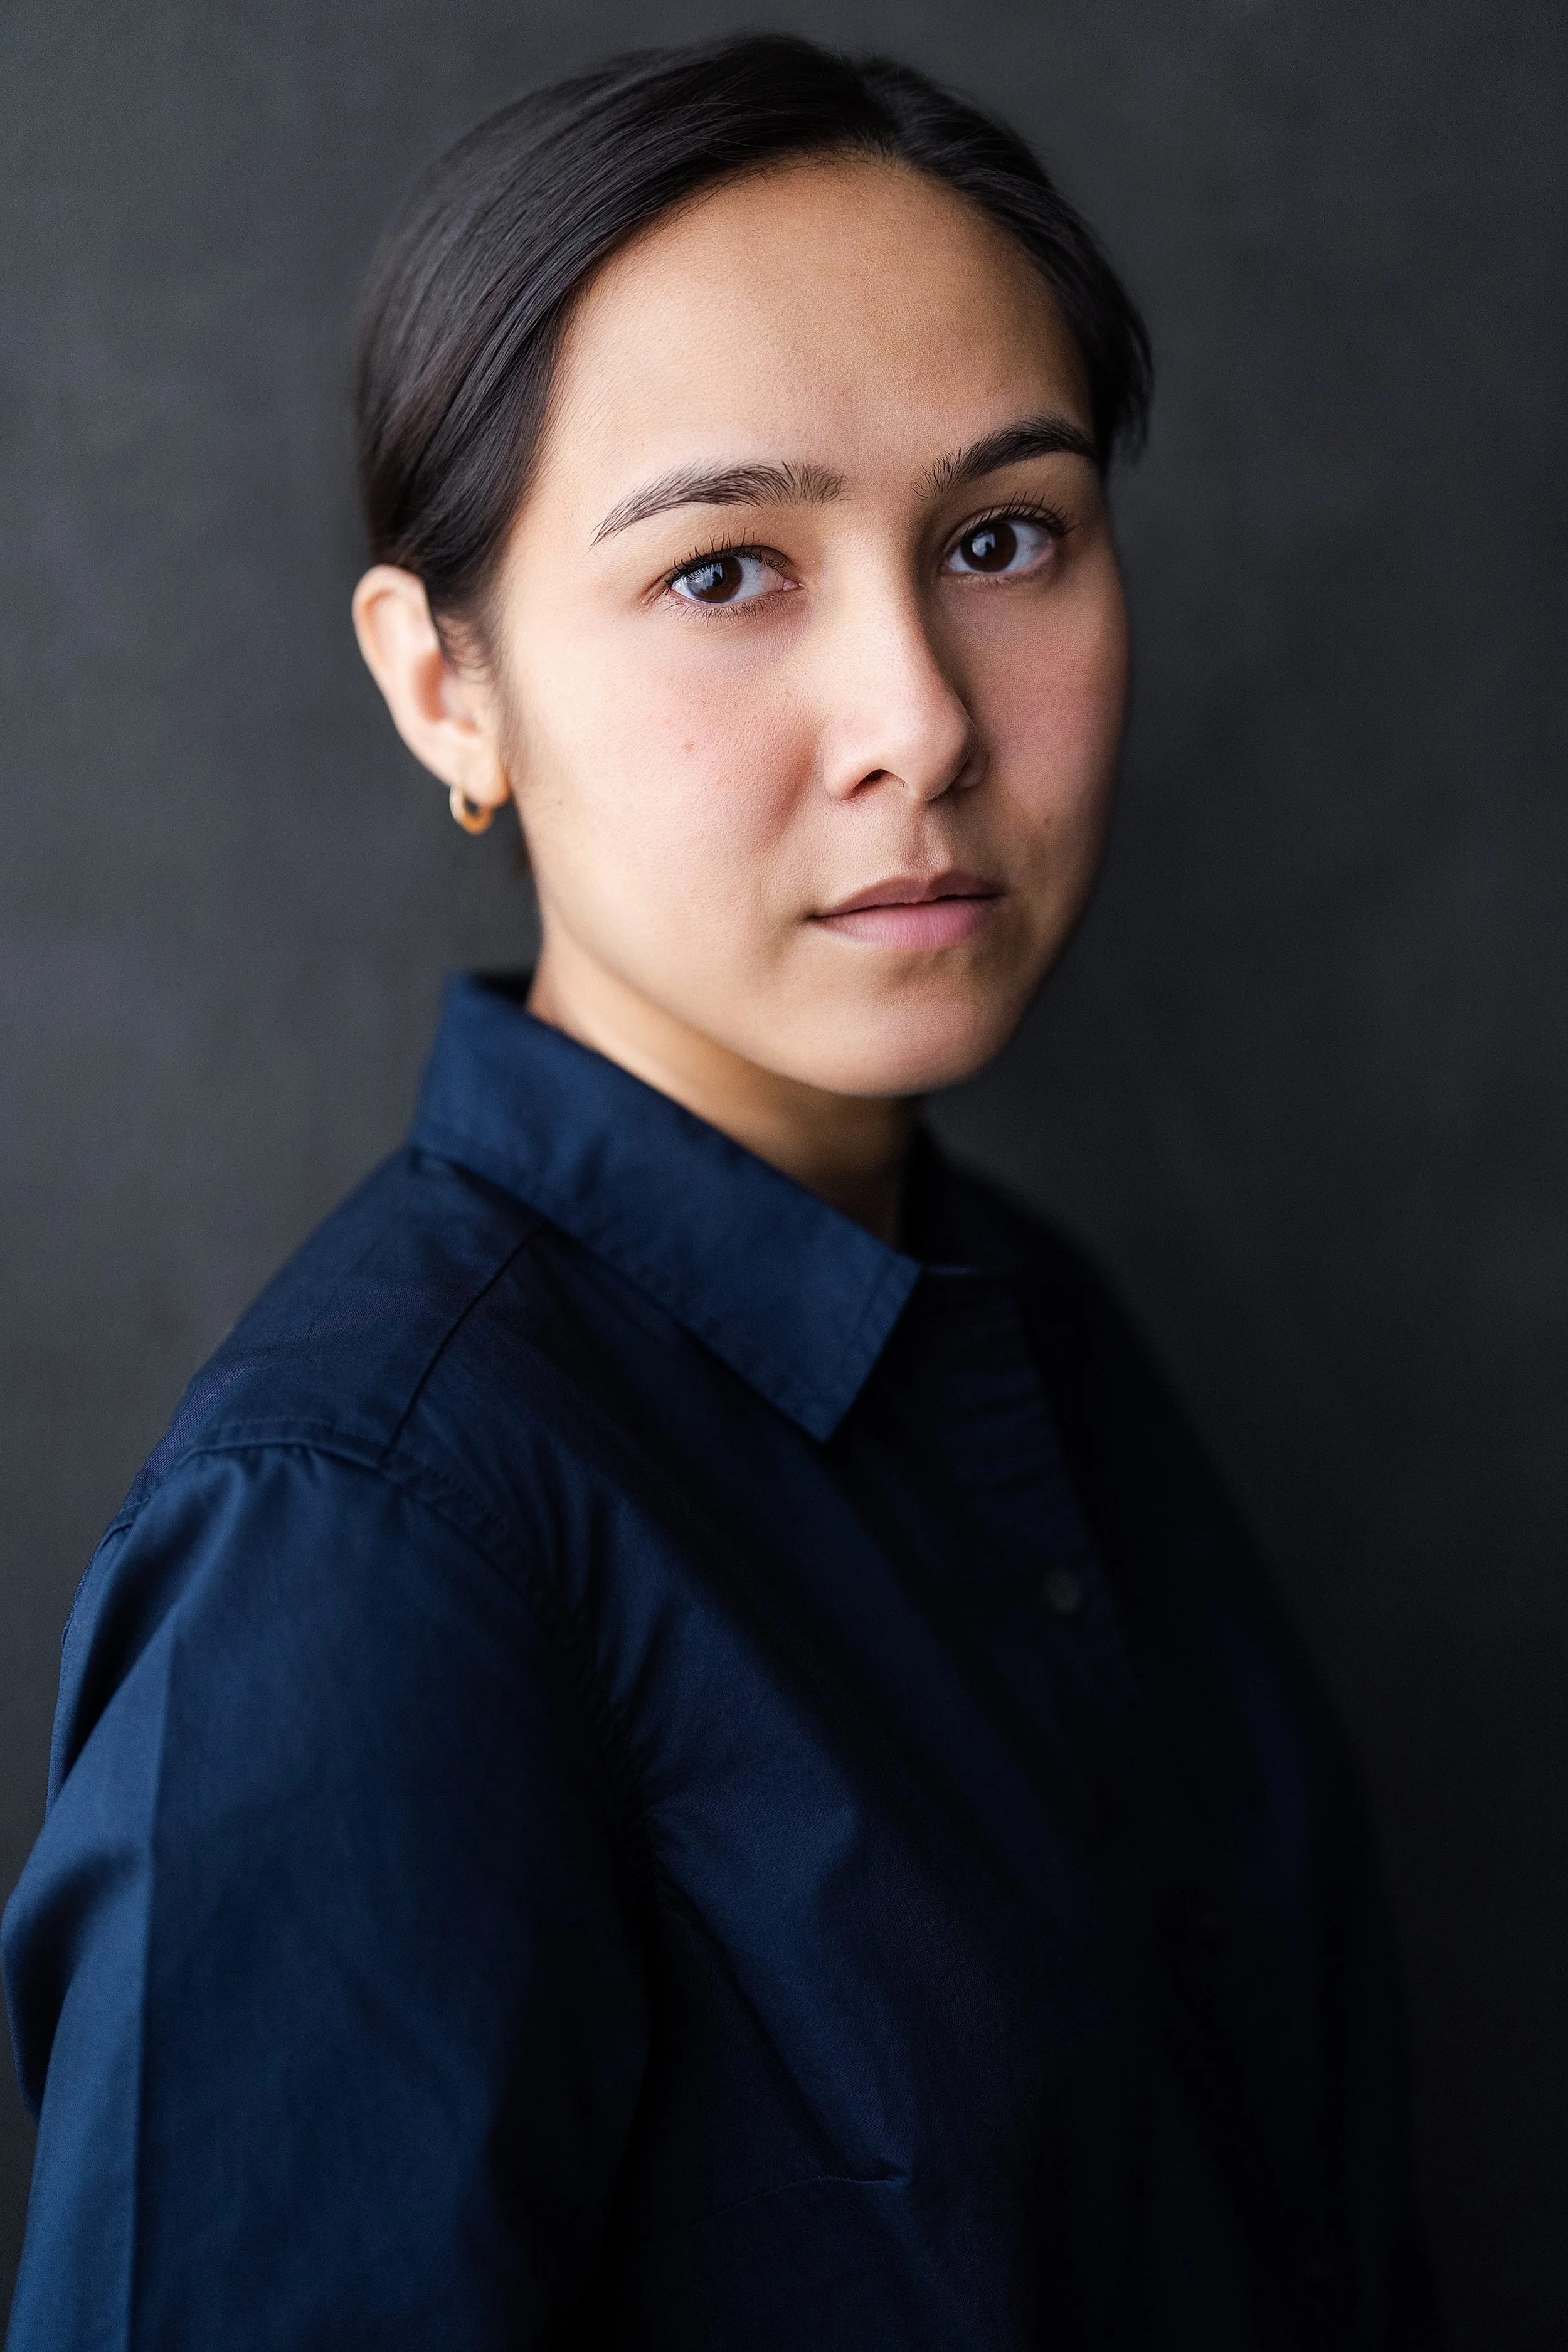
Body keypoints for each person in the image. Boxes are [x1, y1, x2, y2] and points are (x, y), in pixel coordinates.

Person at [3, 34, 1436, 2351]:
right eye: (725, 571)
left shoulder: (1034, 1324)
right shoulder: (364, 1546)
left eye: (1002, 537)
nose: (922, 717)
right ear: (447, 687)